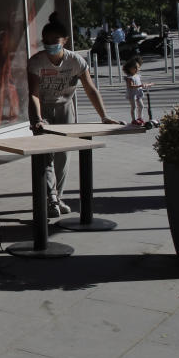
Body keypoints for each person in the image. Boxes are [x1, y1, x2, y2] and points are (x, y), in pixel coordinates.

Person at [28, 18, 123, 218]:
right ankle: (51, 198)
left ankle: (56, 198)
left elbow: (90, 89)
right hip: (42, 110)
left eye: (55, 39)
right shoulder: (36, 62)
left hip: (65, 108)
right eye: (46, 40)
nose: (51, 44)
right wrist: (37, 118)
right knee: (46, 157)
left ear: (65, 40)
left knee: (63, 156)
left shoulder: (76, 61)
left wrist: (104, 116)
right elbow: (34, 93)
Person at [122, 57, 152, 126]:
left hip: (138, 93)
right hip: (132, 94)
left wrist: (147, 84)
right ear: (129, 69)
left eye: (138, 68)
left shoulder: (137, 76)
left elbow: (139, 83)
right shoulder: (129, 77)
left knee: (141, 106)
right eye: (135, 68)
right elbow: (131, 86)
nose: (137, 69)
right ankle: (134, 120)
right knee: (134, 106)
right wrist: (140, 86)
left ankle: (140, 118)